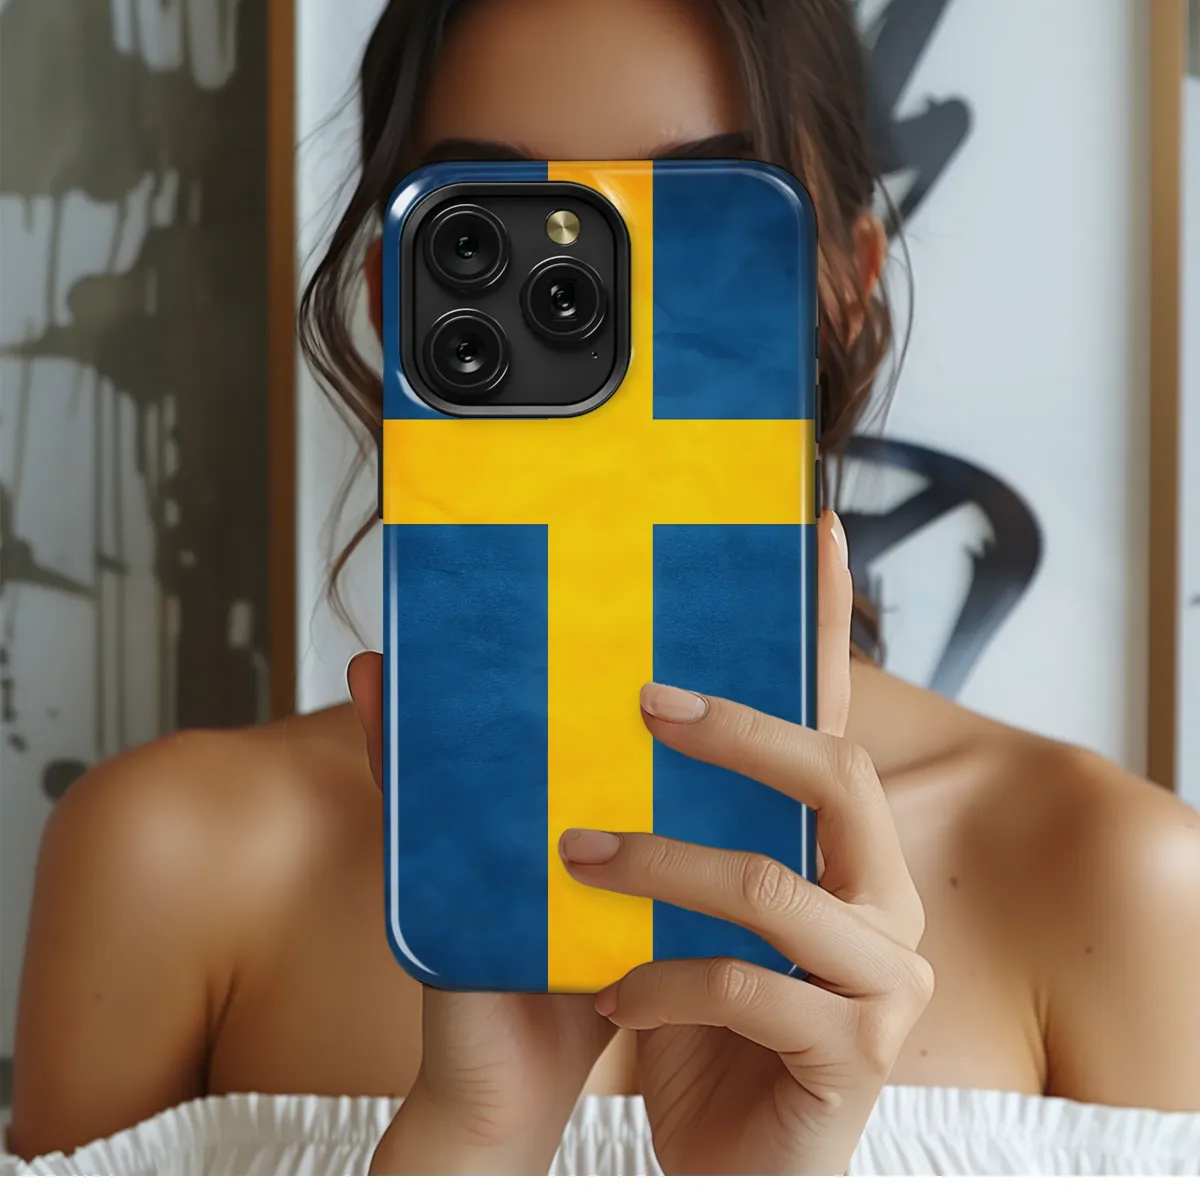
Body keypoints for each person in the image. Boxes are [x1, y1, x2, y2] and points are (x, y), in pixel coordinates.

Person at [6, 0, 1200, 1177]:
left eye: (700, 218)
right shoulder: (170, 862)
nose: (598, 300)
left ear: (846, 287)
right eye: (492, 229)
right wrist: (473, 1143)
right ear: (393, 294)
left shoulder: (1116, 883)